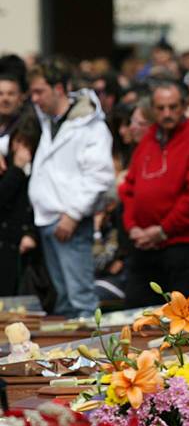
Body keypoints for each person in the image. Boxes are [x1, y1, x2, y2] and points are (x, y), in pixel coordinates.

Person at [119, 81, 189, 308]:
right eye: (161, 108)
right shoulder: (150, 137)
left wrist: (162, 230)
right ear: (152, 109)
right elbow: (130, 188)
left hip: (181, 247)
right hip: (144, 246)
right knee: (137, 317)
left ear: (183, 106)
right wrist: (132, 226)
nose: (167, 114)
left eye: (173, 107)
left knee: (182, 322)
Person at [28, 60, 115, 318]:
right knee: (64, 300)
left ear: (58, 88)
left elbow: (100, 176)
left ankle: (92, 355)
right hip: (48, 217)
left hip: (70, 220)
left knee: (80, 299)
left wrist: (74, 214)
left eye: (39, 91)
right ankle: (66, 357)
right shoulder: (47, 121)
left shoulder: (92, 126)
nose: (34, 98)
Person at [0, 120, 40, 297]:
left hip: (27, 249)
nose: (21, 149)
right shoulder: (4, 167)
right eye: (18, 142)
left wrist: (32, 234)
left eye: (27, 144)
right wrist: (16, 170)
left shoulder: (41, 171)